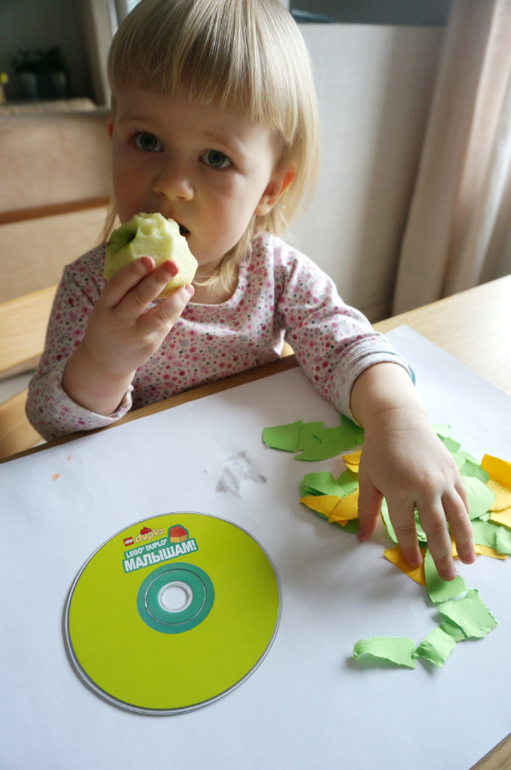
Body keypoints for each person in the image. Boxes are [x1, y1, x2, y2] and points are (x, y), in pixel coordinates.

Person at [27, 0, 475, 581]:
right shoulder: (91, 288)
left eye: (215, 158)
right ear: (112, 139)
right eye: (146, 141)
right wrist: (103, 362)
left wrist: (398, 418)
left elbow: (345, 343)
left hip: (252, 496)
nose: (172, 184)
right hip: (146, 517)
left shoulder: (276, 273)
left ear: (269, 189)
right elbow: (54, 429)